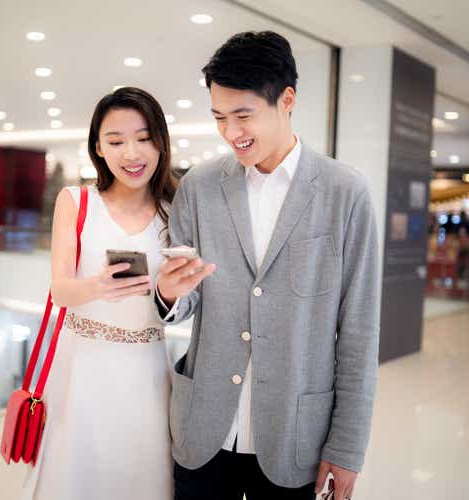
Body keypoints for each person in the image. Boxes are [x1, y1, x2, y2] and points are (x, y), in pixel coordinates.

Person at [155, 31, 381, 500]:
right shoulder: (198, 187)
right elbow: (185, 300)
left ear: (287, 100)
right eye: (219, 117)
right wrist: (171, 294)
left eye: (244, 115)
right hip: (204, 431)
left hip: (295, 438)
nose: (230, 132)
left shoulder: (345, 194)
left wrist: (347, 448)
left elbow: (359, 332)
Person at [19, 87, 178, 500]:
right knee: (76, 477)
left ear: (161, 142)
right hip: (83, 367)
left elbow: (182, 302)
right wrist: (99, 286)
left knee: (141, 477)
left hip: (147, 370)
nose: (132, 153)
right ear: (98, 148)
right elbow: (61, 289)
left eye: (144, 138)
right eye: (116, 141)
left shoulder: (175, 210)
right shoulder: (76, 201)